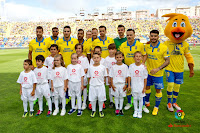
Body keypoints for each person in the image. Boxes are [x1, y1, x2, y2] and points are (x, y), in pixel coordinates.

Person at [143, 30, 170, 115]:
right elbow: (145, 56)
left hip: (158, 74)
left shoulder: (164, 47)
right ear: (149, 36)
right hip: (148, 73)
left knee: (158, 90)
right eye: (152, 36)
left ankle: (156, 107)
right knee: (147, 87)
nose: (153, 37)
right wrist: (143, 64)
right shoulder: (147, 46)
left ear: (158, 37)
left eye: (155, 36)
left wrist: (158, 68)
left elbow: (167, 61)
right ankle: (147, 102)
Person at [120, 29, 146, 110]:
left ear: (134, 35)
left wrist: (143, 63)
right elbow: (121, 56)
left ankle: (143, 104)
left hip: (138, 68)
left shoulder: (140, 45)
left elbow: (145, 55)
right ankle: (129, 102)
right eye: (127, 35)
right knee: (128, 85)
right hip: (128, 68)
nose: (129, 36)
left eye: (131, 35)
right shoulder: (123, 45)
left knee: (140, 85)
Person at [87, 52, 108, 118]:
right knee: (93, 99)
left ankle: (100, 110)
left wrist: (102, 83)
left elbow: (104, 76)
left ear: (100, 58)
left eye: (97, 58)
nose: (96, 59)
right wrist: (90, 84)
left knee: (101, 98)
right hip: (93, 85)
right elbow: (89, 76)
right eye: (94, 58)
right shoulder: (90, 67)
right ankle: (93, 110)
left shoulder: (103, 67)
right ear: (92, 59)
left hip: (100, 85)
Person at [128, 51, 148, 118]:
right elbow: (129, 76)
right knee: (135, 98)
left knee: (141, 98)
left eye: (139, 56)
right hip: (134, 86)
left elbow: (145, 78)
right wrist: (129, 85)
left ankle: (140, 111)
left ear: (142, 58)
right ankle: (135, 110)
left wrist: (144, 87)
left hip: (141, 86)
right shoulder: (131, 66)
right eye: (136, 56)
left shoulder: (143, 67)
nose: (138, 58)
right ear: (134, 58)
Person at [110, 51, 129, 116]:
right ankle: (117, 108)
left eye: (120, 57)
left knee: (121, 97)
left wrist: (126, 84)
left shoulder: (125, 66)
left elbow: (127, 76)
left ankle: (121, 109)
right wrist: (112, 84)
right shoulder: (113, 67)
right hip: (115, 84)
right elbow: (111, 76)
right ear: (115, 58)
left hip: (122, 84)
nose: (119, 59)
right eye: (117, 57)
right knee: (116, 96)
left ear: (123, 58)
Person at [75, 43, 90, 110]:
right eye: (77, 48)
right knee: (77, 89)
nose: (78, 50)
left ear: (82, 49)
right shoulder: (74, 57)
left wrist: (81, 75)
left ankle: (84, 102)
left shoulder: (84, 58)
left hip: (82, 76)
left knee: (84, 88)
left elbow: (86, 68)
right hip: (75, 76)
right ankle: (78, 102)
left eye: (79, 48)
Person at [105, 43, 117, 108]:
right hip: (109, 76)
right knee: (110, 88)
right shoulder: (106, 59)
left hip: (116, 76)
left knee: (115, 87)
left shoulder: (117, 58)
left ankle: (116, 100)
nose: (111, 51)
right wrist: (108, 77)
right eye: (110, 49)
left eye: (113, 49)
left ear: (115, 50)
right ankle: (111, 101)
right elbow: (106, 68)